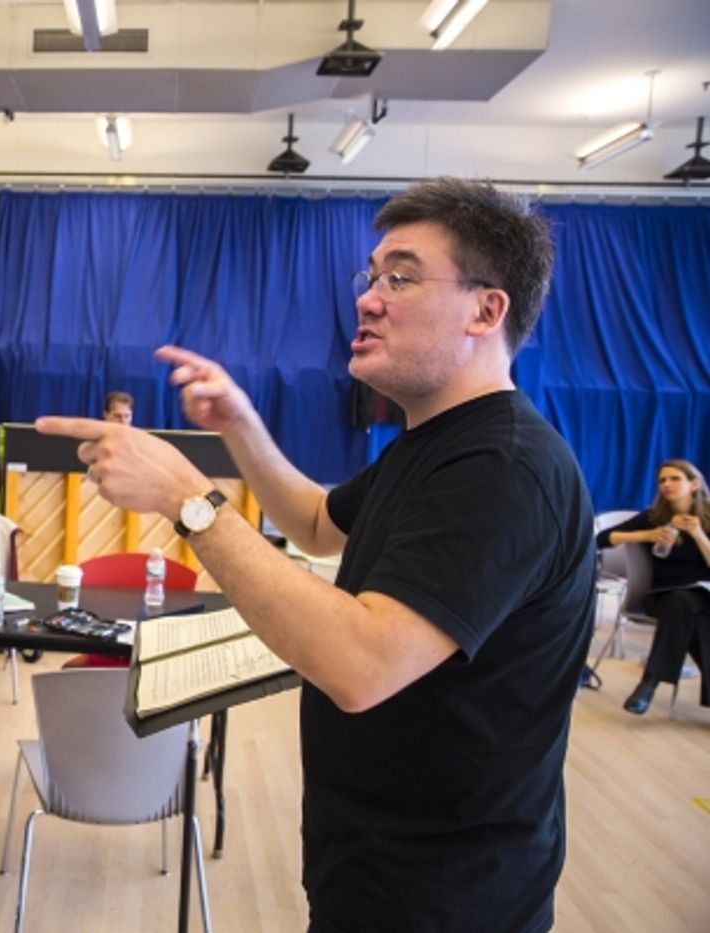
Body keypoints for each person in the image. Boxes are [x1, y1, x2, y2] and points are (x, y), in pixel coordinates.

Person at [38, 178, 594, 932]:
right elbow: (314, 521)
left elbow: (361, 664)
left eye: (400, 276)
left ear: (485, 309)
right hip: (376, 873)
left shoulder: (503, 466)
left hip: (449, 899)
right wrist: (239, 424)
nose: (368, 298)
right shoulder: (431, 444)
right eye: (371, 276)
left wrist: (189, 499)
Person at [597, 458, 710, 714]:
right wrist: (646, 535)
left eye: (675, 479)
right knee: (684, 601)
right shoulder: (653, 518)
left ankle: (649, 684)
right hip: (663, 596)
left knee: (693, 608)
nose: (667, 485)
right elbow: (602, 539)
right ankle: (649, 683)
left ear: (694, 484)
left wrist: (698, 535)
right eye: (662, 480)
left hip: (703, 597)